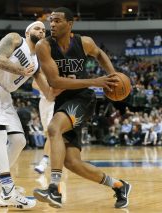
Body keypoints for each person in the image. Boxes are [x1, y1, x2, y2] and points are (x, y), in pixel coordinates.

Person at [33, 7, 131, 209]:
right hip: (64, 102)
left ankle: (54, 189)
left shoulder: (84, 42)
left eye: (58, 21)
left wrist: (112, 76)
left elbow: (100, 53)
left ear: (70, 24)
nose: (52, 24)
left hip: (83, 100)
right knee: (72, 163)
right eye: (51, 21)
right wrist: (94, 81)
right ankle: (119, 186)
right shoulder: (44, 46)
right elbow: (54, 81)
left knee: (53, 129)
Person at [0, 21, 57, 209]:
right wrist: (19, 70)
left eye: (43, 30)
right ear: (27, 32)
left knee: (19, 141)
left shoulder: (37, 62)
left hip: (4, 95)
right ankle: (8, 190)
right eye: (37, 28)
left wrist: (69, 89)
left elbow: (48, 93)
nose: (41, 31)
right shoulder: (15, 39)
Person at [32, 79, 55, 174]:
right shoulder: (42, 67)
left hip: (55, 101)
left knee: (51, 132)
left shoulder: (60, 67)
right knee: (47, 134)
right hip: (43, 102)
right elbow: (34, 84)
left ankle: (44, 161)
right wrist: (46, 88)